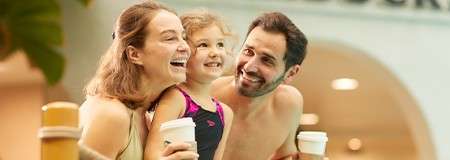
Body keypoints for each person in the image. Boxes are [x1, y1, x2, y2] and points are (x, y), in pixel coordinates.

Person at [78, 1, 199, 159]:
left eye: (183, 37)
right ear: (134, 54)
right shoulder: (111, 115)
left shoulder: (147, 117)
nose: (185, 47)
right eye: (169, 38)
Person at [211, 12, 313, 160]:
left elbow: (285, 155)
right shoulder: (204, 96)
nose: (249, 66)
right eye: (248, 51)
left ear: (290, 73)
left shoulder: (289, 104)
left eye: (266, 60)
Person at [145, 9, 234, 160]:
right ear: (183, 51)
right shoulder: (176, 98)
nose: (215, 52)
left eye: (220, 44)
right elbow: (152, 153)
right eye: (203, 45)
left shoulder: (225, 113)